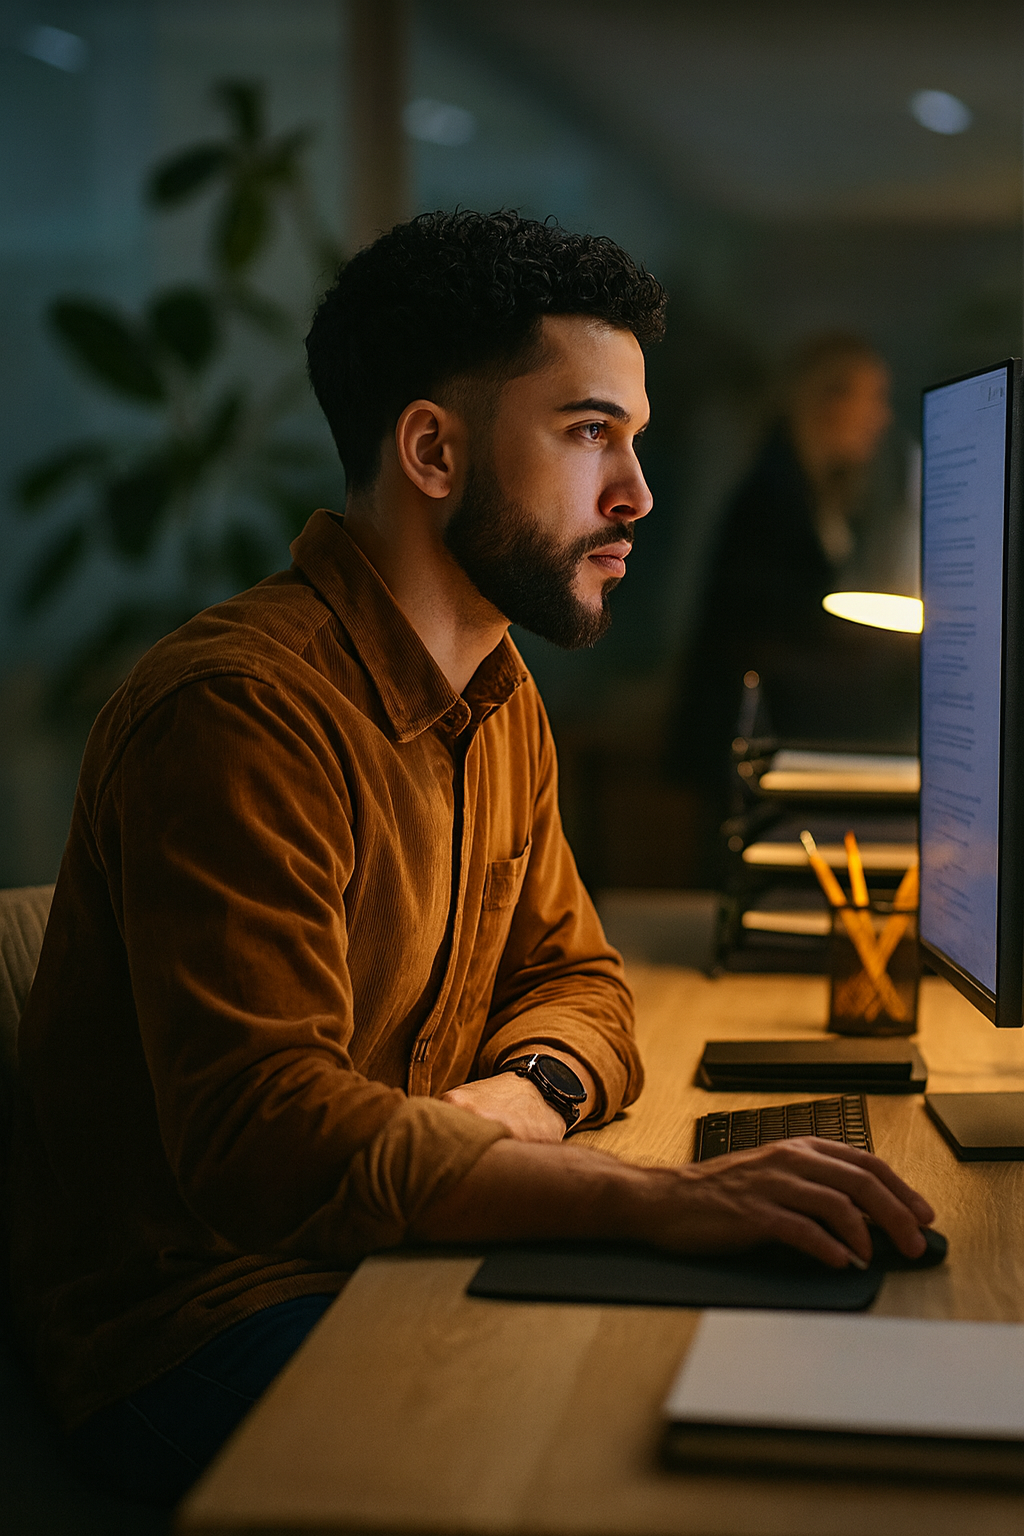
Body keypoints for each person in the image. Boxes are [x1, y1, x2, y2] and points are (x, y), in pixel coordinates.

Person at [8, 215, 934, 1507]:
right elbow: (268, 1141)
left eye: (635, 439)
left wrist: (522, 1100)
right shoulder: (237, 713)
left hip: (394, 1249)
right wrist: (655, 1203)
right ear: (433, 449)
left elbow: (586, 985)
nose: (636, 496)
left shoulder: (496, 692)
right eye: (588, 433)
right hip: (213, 1323)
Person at [669, 332, 918, 862]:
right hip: (748, 747)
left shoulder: (808, 493)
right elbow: (772, 631)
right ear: (827, 400)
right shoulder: (773, 497)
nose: (881, 417)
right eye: (871, 397)